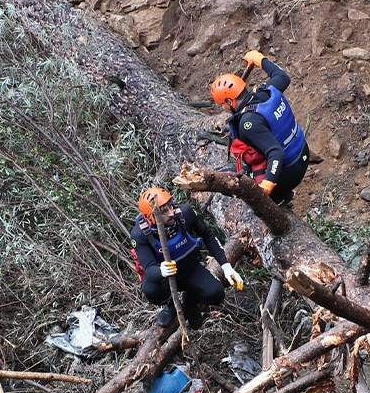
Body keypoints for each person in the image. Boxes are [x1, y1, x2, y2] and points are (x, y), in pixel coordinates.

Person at [131, 187, 243, 329]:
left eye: (170, 206)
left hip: (190, 268)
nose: (171, 213)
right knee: (150, 289)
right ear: (150, 216)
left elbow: (208, 236)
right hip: (166, 278)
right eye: (163, 211)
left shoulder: (185, 214)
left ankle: (190, 300)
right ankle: (171, 305)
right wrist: (161, 271)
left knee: (216, 293)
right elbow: (149, 268)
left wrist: (226, 266)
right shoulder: (140, 235)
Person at [211, 50, 310, 206]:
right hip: (302, 153)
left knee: (225, 179)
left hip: (289, 172)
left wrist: (267, 184)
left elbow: (275, 152)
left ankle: (278, 197)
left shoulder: (248, 122)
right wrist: (260, 60)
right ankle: (280, 191)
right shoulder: (266, 91)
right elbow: (283, 77)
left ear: (230, 102)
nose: (224, 109)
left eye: (223, 105)